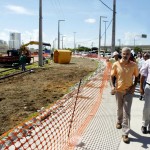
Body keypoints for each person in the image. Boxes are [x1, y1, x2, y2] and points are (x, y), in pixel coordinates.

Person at [111, 47, 139, 143]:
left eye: (127, 53)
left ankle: (125, 133)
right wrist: (112, 86)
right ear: (121, 54)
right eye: (124, 53)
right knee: (119, 108)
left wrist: (134, 86)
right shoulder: (116, 64)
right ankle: (119, 121)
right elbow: (112, 76)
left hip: (128, 92)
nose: (125, 55)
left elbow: (137, 76)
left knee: (126, 112)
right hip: (118, 91)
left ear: (130, 55)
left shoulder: (134, 65)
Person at [140, 58, 150, 134]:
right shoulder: (148, 62)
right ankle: (144, 125)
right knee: (147, 108)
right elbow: (143, 75)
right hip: (149, 87)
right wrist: (141, 87)